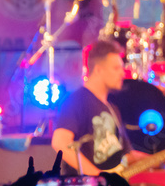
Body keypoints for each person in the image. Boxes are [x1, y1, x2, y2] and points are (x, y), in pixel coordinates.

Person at [51, 38, 143, 175]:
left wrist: (163, 158)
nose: (123, 73)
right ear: (98, 70)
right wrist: (98, 178)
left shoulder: (112, 109)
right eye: (116, 68)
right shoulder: (76, 100)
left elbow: (126, 157)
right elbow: (60, 143)